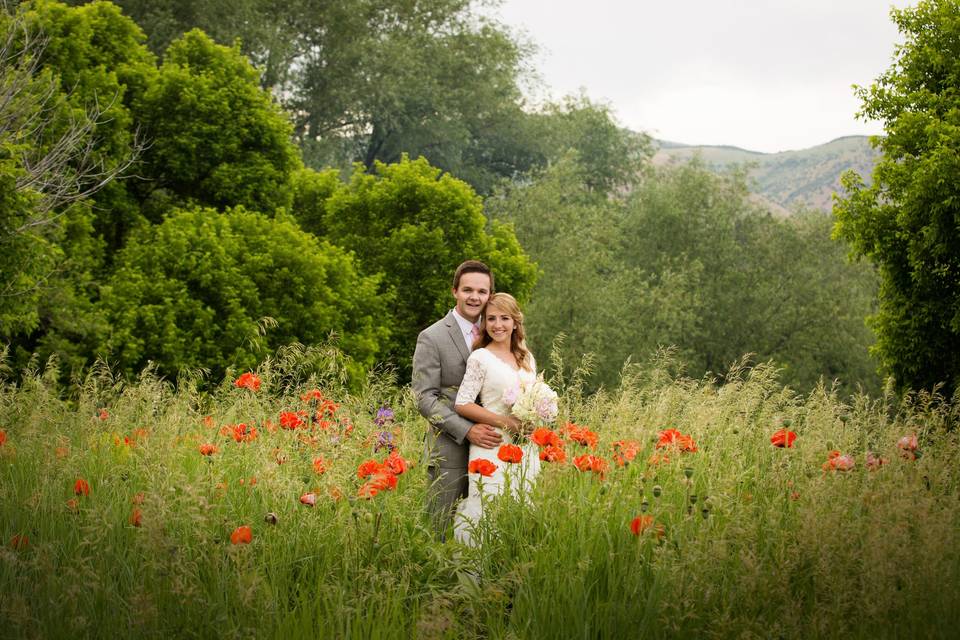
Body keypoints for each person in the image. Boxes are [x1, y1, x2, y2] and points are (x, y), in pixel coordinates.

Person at [412, 260, 503, 536]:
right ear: (455, 291)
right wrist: (467, 430)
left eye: (482, 291)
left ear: (490, 295)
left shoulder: (498, 335)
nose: (475, 297)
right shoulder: (432, 337)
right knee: (438, 533)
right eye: (468, 290)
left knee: (484, 532)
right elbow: (425, 399)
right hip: (449, 453)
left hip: (494, 452)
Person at [452, 292, 541, 546]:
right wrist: (506, 423)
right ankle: (472, 579)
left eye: (504, 318)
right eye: (491, 318)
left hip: (525, 447)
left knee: (520, 510)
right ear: (484, 323)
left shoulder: (527, 357)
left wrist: (537, 415)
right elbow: (462, 402)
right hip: (492, 444)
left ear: (515, 322)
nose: (497, 324)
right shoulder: (480, 357)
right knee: (485, 510)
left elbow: (533, 396)